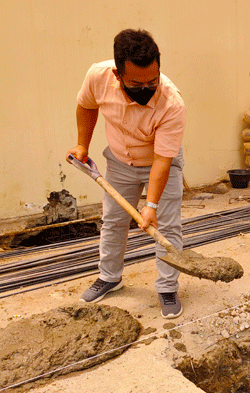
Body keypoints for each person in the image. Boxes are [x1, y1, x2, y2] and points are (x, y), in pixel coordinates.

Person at [67, 29, 186, 318]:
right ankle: (110, 277)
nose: (146, 88)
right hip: (120, 161)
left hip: (161, 163)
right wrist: (83, 144)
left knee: (166, 227)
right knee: (114, 222)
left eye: (152, 82)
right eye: (136, 83)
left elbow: (162, 160)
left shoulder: (172, 103)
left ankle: (167, 287)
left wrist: (151, 205)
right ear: (117, 75)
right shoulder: (98, 76)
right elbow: (86, 105)